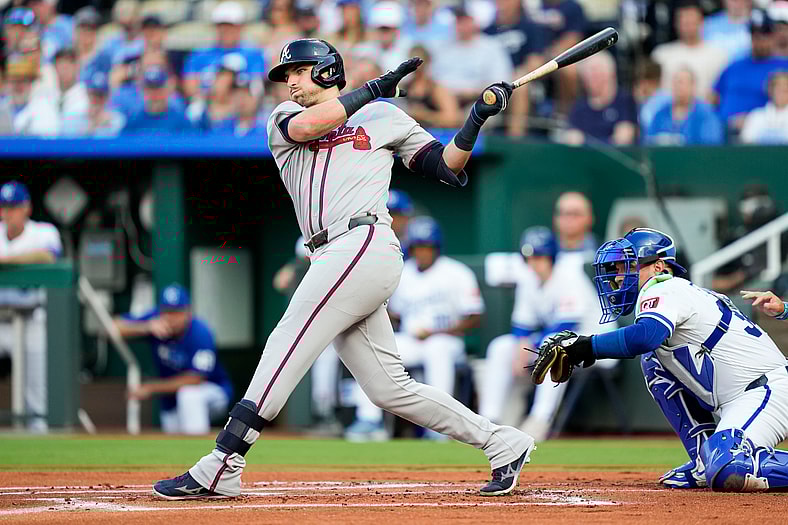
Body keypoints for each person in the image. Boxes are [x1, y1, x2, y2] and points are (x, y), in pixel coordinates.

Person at [153, 37, 534, 499]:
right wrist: (375, 87)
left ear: (327, 71)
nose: (290, 81)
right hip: (329, 253)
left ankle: (223, 462)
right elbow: (313, 125)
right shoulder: (282, 119)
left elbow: (445, 166)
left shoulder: (384, 117)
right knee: (389, 389)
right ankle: (502, 442)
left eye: (298, 71)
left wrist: (475, 118)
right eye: (286, 74)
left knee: (286, 340)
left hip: (363, 240)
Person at [534, 227, 788, 492]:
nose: (619, 277)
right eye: (619, 268)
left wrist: (586, 347)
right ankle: (704, 460)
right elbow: (649, 342)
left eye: (627, 266)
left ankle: (718, 459)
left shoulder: (666, 287)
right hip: (742, 397)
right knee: (654, 361)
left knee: (730, 466)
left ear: (659, 267)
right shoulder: (675, 292)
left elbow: (645, 335)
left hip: (767, 391)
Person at [346, 216, 485, 441]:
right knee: (372, 352)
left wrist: (437, 332)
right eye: (418, 246)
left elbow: (474, 317)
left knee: (437, 349)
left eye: (427, 247)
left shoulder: (456, 273)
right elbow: (393, 313)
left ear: (437, 247)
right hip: (411, 340)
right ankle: (368, 419)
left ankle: (440, 425)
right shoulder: (403, 272)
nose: (423, 252)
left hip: (446, 340)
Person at [480, 226, 613, 441]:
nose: (534, 262)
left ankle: (539, 420)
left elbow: (565, 325)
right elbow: (521, 326)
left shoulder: (569, 276)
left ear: (551, 257)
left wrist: (528, 346)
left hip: (597, 343)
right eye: (530, 258)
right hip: (556, 341)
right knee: (501, 347)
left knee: (555, 346)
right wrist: (519, 349)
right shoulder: (528, 280)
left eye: (540, 257)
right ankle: (489, 419)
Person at [113, 283, 234, 435]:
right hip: (171, 400)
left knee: (189, 395)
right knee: (173, 435)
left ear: (188, 312)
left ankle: (199, 449)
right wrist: (144, 327)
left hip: (214, 393)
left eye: (177, 312)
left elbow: (196, 379)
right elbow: (112, 326)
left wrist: (151, 388)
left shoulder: (200, 332)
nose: (170, 317)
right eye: (167, 311)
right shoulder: (152, 320)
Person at [0, 181, 63, 433]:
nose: (9, 212)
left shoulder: (44, 232)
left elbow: (48, 256)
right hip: (1, 321)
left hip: (31, 317)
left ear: (26, 208)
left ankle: (38, 435)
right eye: (5, 207)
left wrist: (6, 261)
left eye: (14, 206)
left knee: (35, 390)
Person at [711, 9, 788, 134]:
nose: (760, 41)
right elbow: (713, 98)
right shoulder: (734, 66)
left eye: (765, 35)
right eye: (755, 36)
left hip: (762, 132)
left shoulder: (783, 67)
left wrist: (751, 120)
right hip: (723, 130)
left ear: (773, 36)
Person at [431, 5, 514, 111]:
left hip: (478, 100)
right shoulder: (443, 46)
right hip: (442, 99)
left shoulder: (492, 46)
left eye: (465, 20)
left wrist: (473, 92)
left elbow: (501, 81)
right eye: (458, 20)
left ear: (476, 21)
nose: (460, 25)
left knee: (479, 111)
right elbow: (432, 77)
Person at [182, 1, 266, 100]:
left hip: (242, 106)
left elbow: (257, 88)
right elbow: (190, 88)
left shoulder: (254, 54)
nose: (226, 31)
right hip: (207, 105)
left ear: (240, 27)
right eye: (222, 26)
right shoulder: (200, 54)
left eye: (231, 26)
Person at [651, 0, 729, 100]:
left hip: (705, 111)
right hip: (668, 112)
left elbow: (722, 93)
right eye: (685, 23)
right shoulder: (661, 54)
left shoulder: (719, 55)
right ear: (676, 24)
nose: (689, 27)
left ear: (702, 23)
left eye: (693, 22)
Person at [563, 50, 637, 146]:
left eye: (596, 73)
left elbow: (623, 140)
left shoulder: (624, 101)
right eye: (587, 74)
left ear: (610, 74)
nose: (591, 78)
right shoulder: (580, 107)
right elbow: (571, 138)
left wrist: (584, 141)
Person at [645, 68, 724, 145]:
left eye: (681, 82)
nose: (678, 87)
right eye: (675, 83)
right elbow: (648, 142)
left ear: (693, 86)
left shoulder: (706, 114)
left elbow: (711, 146)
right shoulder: (661, 114)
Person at [122, 66, 196, 135]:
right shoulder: (133, 121)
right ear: (143, 91)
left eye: (158, 88)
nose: (154, 93)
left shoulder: (181, 121)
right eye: (150, 89)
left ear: (167, 89)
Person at [402, 44, 462, 129]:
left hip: (433, 135)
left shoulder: (436, 89)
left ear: (428, 62)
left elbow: (453, 119)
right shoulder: (403, 87)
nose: (416, 67)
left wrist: (426, 115)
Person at [60, 71, 126, 137]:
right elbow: (68, 143)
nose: (96, 99)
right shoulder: (72, 119)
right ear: (87, 93)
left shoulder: (116, 120)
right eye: (93, 94)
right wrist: (93, 126)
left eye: (100, 95)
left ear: (107, 96)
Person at [740, 71, 788, 144]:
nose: (781, 94)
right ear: (770, 91)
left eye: (785, 90)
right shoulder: (756, 115)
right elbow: (746, 142)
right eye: (778, 89)